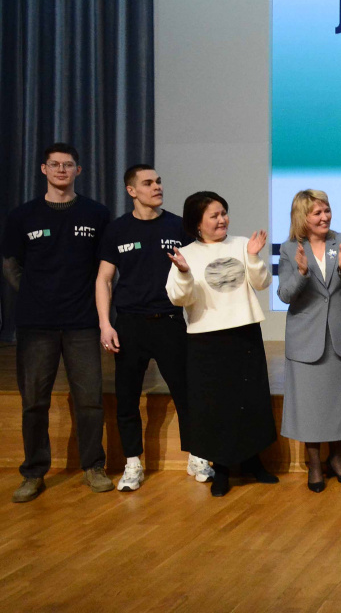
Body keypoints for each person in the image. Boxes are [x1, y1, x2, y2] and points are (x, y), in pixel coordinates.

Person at [2, 143, 112, 502]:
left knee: (90, 400)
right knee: (34, 402)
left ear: (78, 171)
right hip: (36, 324)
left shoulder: (96, 213)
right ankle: (33, 473)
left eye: (68, 165)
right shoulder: (23, 216)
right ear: (43, 170)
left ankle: (93, 467)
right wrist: (34, 293)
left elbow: (105, 268)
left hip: (82, 322)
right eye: (55, 164)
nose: (61, 170)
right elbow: (10, 263)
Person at [95, 164, 211, 491]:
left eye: (158, 181)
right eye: (148, 183)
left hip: (169, 322)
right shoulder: (117, 230)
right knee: (127, 398)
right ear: (131, 190)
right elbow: (104, 279)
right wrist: (105, 324)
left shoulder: (178, 226)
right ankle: (132, 463)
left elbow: (198, 273)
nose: (156, 186)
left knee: (186, 393)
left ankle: (197, 456)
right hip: (129, 325)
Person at [166, 191, 278, 497]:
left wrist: (253, 256)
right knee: (215, 405)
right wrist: (184, 272)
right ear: (197, 223)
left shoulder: (241, 244)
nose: (222, 220)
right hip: (206, 339)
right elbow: (179, 298)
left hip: (244, 332)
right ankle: (223, 468)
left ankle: (254, 462)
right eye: (214, 215)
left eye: (224, 213)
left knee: (250, 399)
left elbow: (262, 283)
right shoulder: (186, 254)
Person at [277, 190, 341, 492]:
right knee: (309, 405)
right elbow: (285, 294)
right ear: (302, 217)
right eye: (317, 213)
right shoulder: (290, 249)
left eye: (326, 210)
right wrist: (302, 273)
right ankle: (314, 464)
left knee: (338, 401)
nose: (325, 217)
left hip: (340, 335)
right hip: (306, 338)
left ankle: (336, 459)